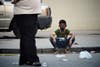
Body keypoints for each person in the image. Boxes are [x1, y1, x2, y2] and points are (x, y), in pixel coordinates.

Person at [12, 0, 41, 66]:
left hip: (27, 11)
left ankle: (25, 59)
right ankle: (33, 59)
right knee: (29, 36)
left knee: (25, 36)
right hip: (25, 11)